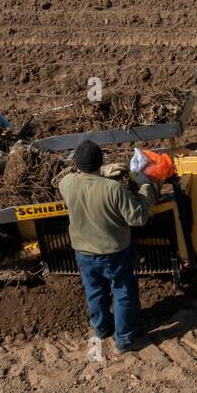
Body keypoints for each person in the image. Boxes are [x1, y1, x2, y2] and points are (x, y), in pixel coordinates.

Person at [57, 140, 157, 352]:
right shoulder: (113, 189)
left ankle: (101, 330)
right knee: (123, 293)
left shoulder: (67, 184)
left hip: (83, 253)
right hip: (114, 252)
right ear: (102, 163)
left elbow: (66, 183)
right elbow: (137, 218)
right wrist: (146, 188)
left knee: (94, 292)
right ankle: (125, 341)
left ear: (76, 164)